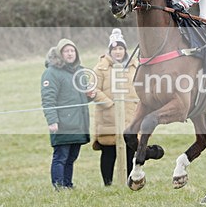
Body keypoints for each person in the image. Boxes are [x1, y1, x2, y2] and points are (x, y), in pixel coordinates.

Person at [41, 38, 93, 190]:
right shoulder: (51, 73)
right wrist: (52, 121)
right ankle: (58, 186)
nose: (70, 54)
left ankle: (68, 185)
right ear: (60, 54)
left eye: (72, 51)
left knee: (71, 157)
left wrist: (91, 95)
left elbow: (84, 96)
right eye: (66, 51)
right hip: (63, 123)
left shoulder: (80, 71)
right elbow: (48, 99)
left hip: (79, 123)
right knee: (61, 157)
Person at [90, 29, 139, 186]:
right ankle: (108, 183)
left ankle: (129, 181)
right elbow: (93, 89)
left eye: (120, 48)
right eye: (115, 49)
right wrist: (110, 104)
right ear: (110, 50)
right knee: (109, 151)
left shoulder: (135, 66)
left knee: (130, 150)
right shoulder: (100, 68)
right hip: (109, 115)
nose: (118, 52)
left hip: (131, 115)